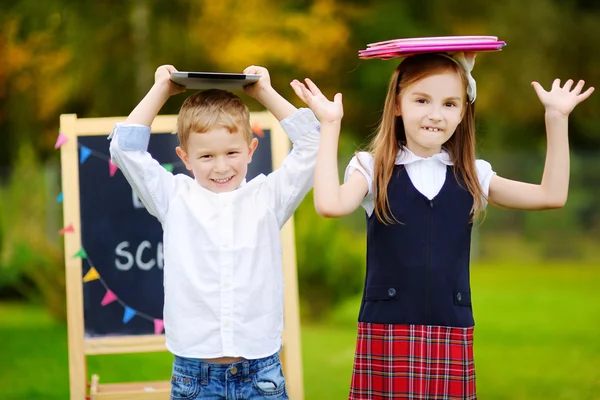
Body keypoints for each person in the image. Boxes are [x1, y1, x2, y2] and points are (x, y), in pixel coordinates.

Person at [290, 51, 594, 399]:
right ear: (398, 104)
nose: (436, 114)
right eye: (422, 100)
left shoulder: (474, 175)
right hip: (387, 330)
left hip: (453, 331)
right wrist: (330, 126)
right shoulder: (371, 168)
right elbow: (330, 204)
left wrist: (556, 118)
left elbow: (551, 195)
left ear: (464, 113)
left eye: (450, 104)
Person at [109, 64, 320, 399]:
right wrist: (161, 88)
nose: (221, 167)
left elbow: (314, 144)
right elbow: (124, 148)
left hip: (261, 375)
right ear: (185, 157)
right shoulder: (173, 197)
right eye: (206, 155)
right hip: (195, 377)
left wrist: (263, 92)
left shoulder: (268, 198)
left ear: (251, 150)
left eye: (232, 153)